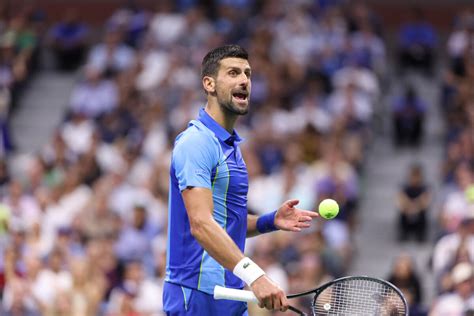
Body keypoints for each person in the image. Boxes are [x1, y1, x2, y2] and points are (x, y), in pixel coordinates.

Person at [163, 45, 319, 315]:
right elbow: (201, 224)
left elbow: (222, 223)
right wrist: (256, 276)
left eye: (248, 74)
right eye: (233, 73)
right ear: (209, 84)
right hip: (196, 295)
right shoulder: (197, 142)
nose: (244, 80)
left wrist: (270, 221)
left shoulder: (231, 148)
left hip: (230, 292)